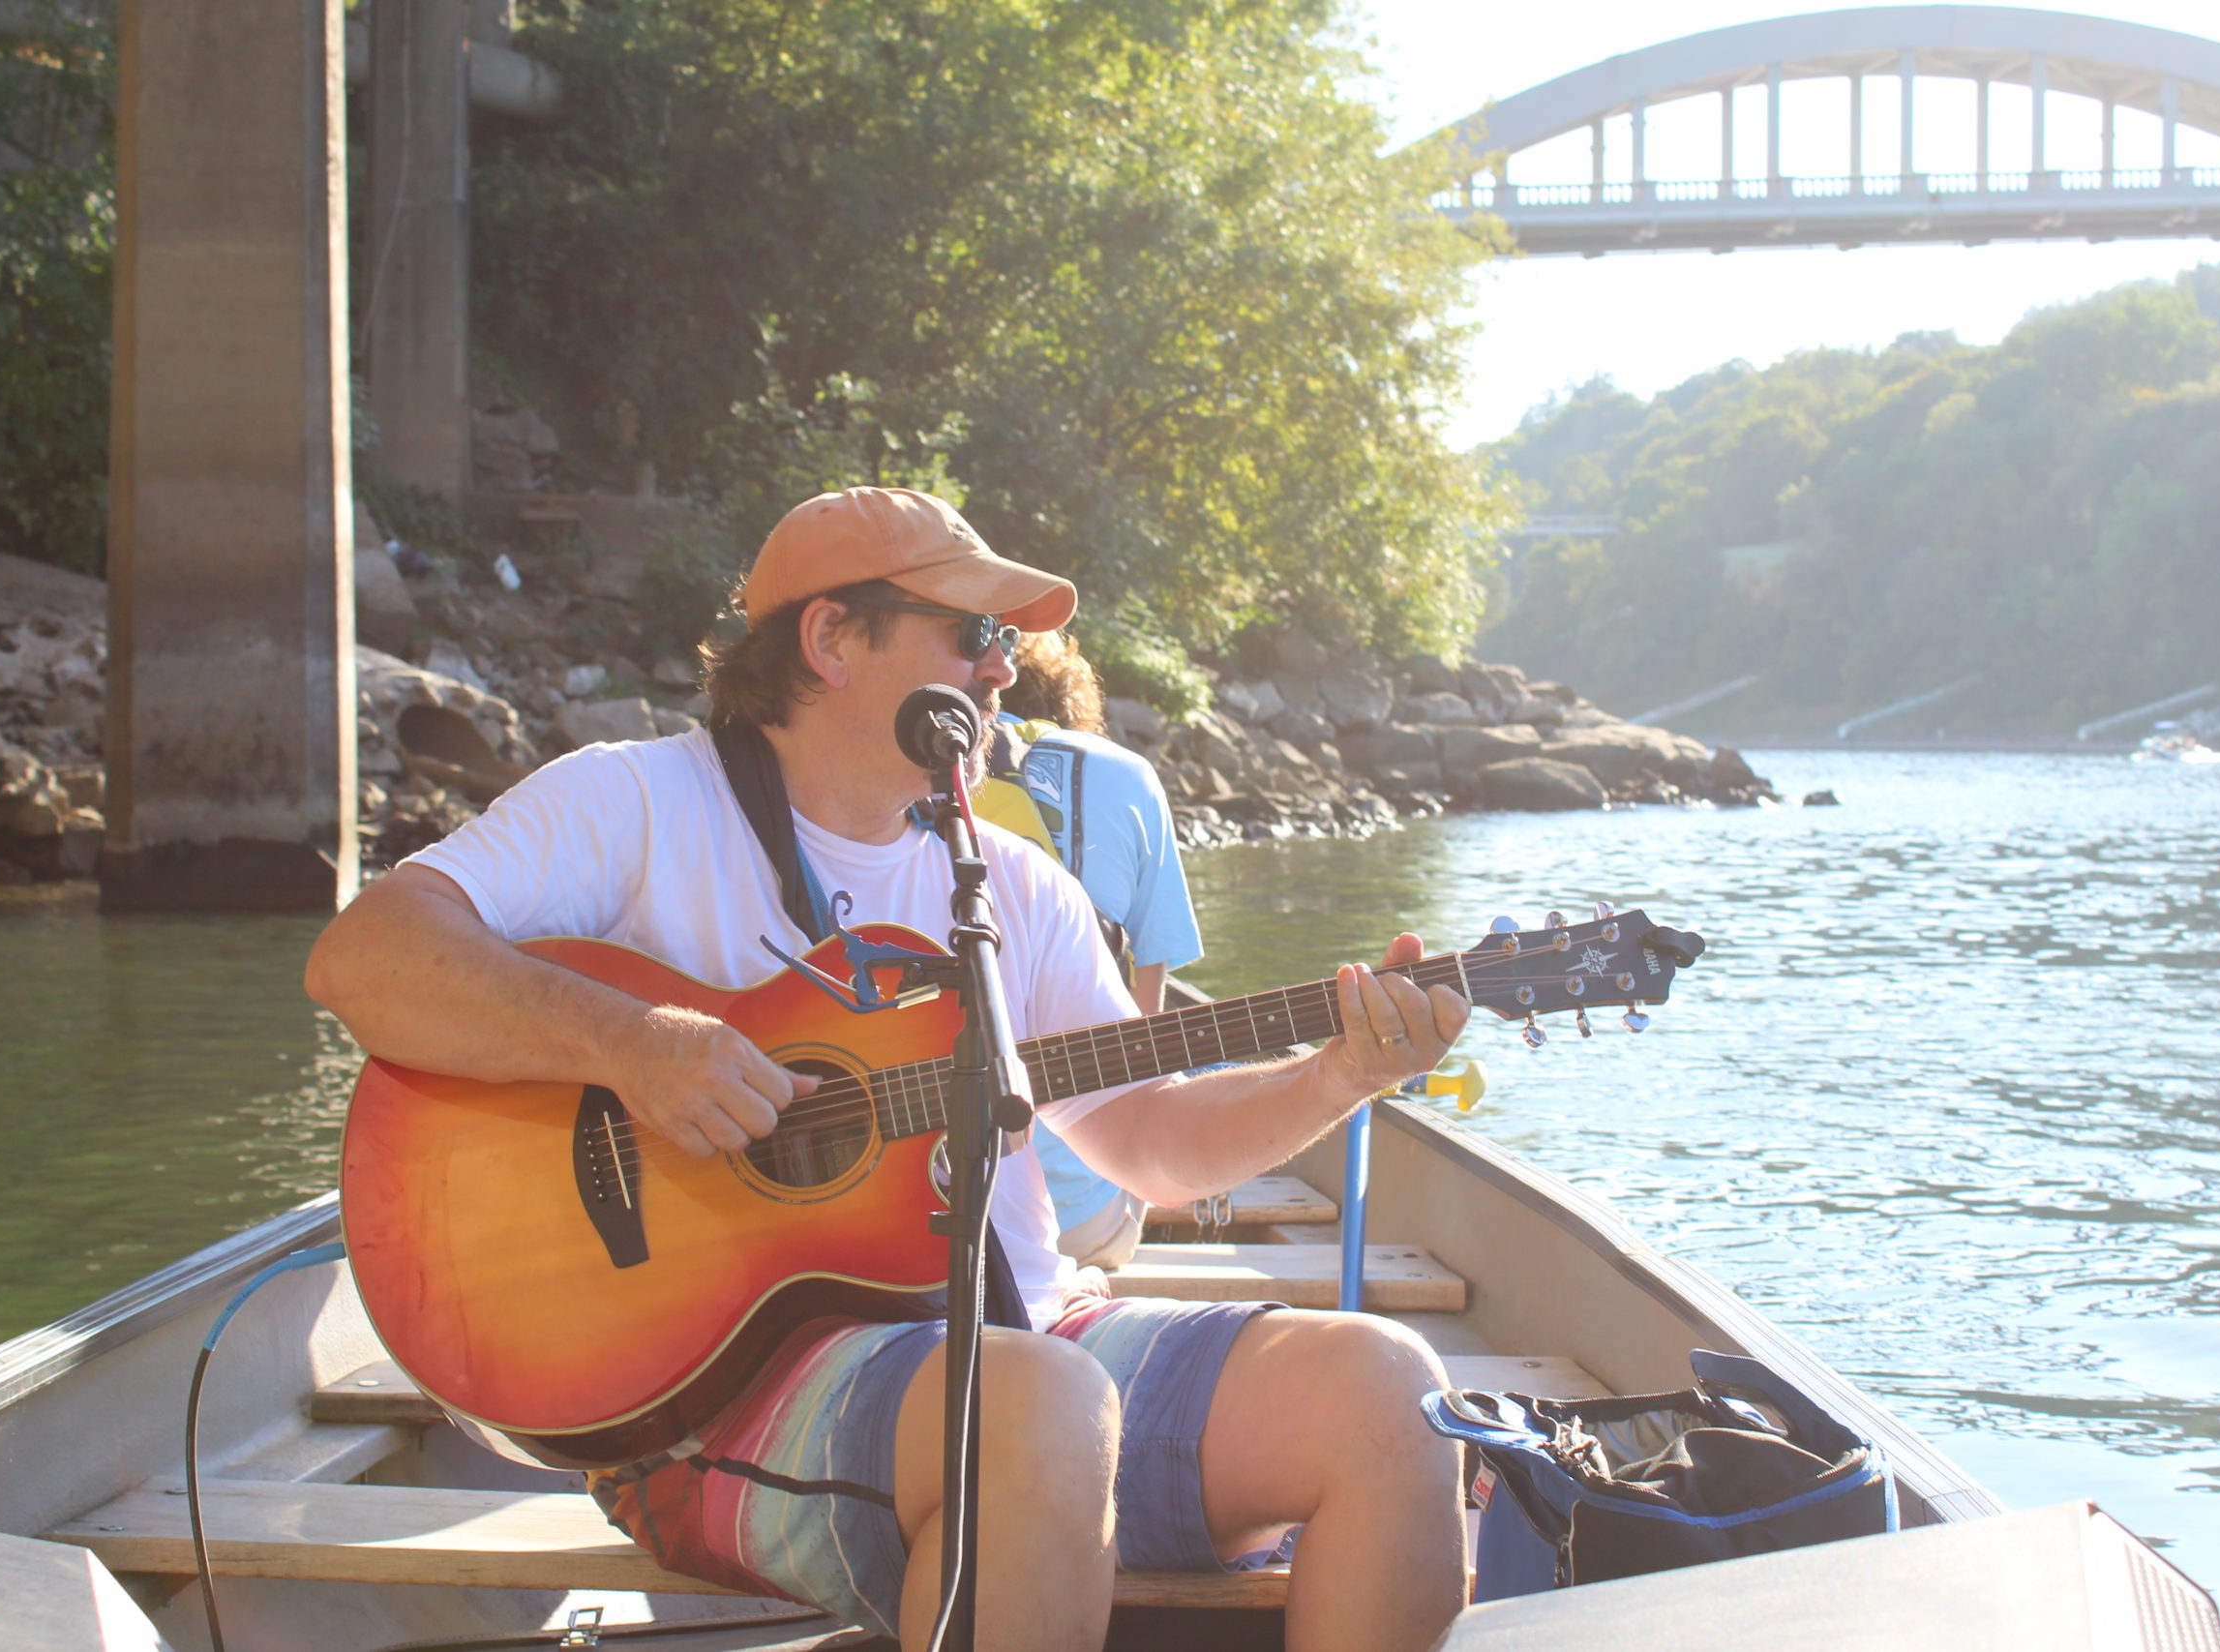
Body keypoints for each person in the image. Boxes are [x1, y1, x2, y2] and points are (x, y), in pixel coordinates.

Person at [304, 486, 1470, 1652]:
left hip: (1025, 1344)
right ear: (830, 638)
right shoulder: (634, 801)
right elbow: (366, 960)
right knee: (1040, 1404)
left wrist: (1336, 1077)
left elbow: (1148, 1144)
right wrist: (628, 1042)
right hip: (704, 1394)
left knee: (1396, 1394)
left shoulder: (1009, 883)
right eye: (973, 634)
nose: (1004, 670)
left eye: (1010, 643)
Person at [975, 629, 1198, 1269]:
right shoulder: (1129, 775)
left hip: (927, 1210)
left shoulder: (911, 767)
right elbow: (1147, 1034)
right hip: (1080, 1220)